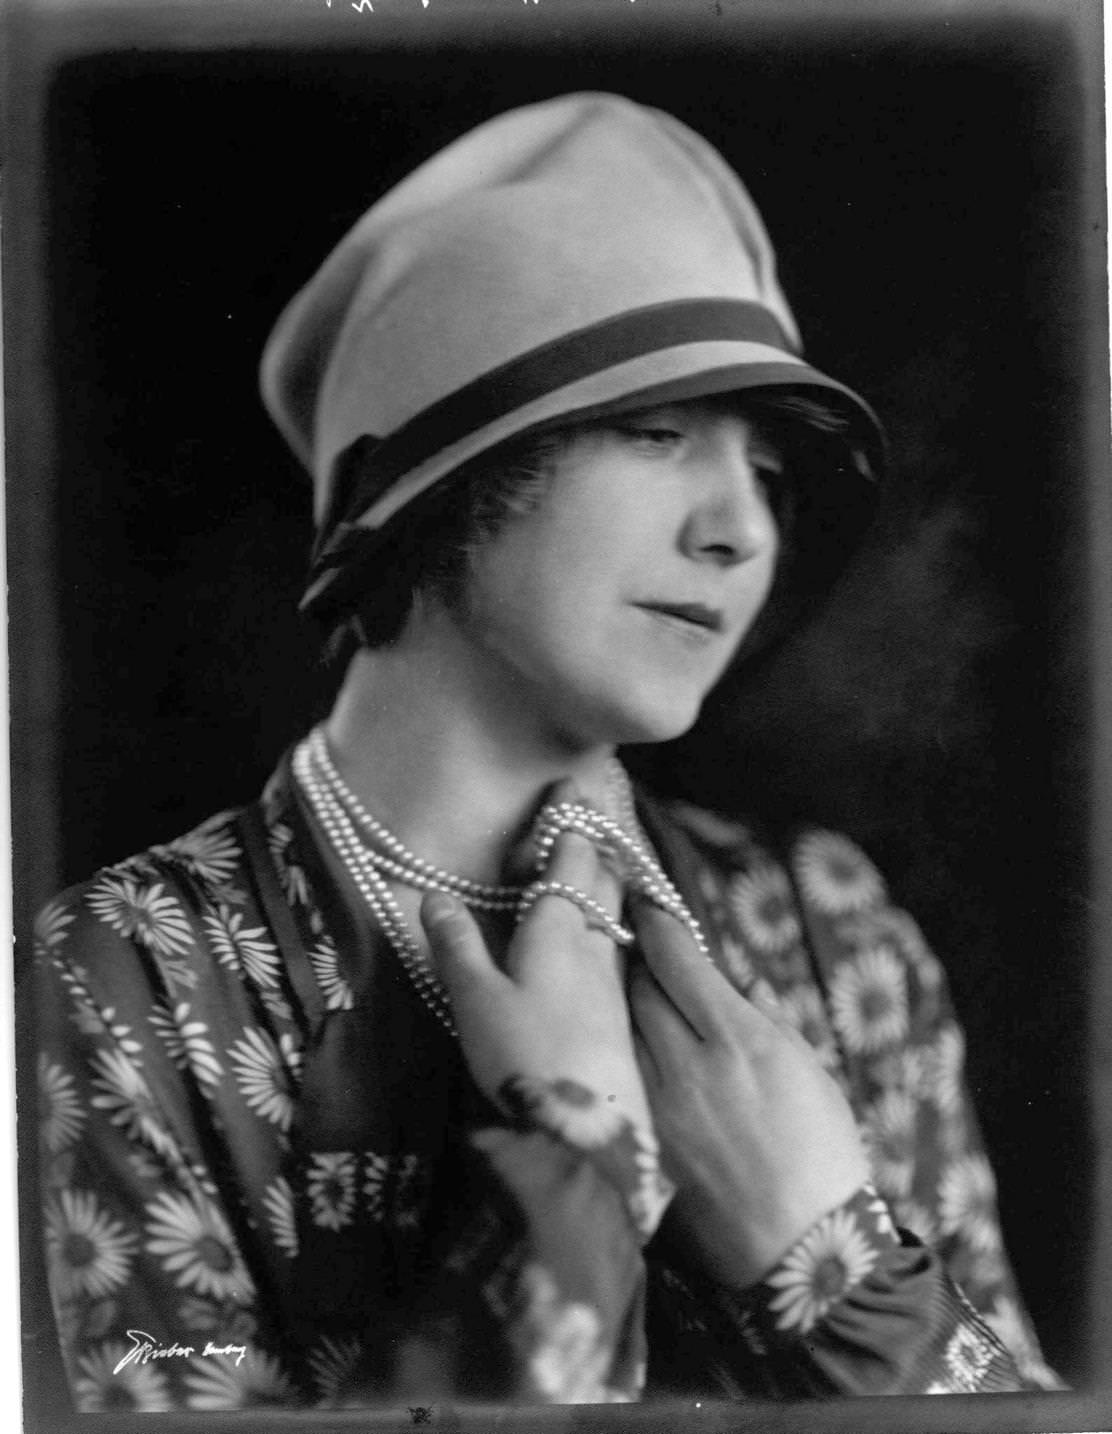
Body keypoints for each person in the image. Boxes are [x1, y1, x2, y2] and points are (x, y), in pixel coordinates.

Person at [32, 92, 1060, 1412]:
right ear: (439, 464)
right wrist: (570, 1184)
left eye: (774, 477)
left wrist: (836, 1264)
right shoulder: (123, 978)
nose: (743, 531)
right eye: (657, 430)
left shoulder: (832, 927)